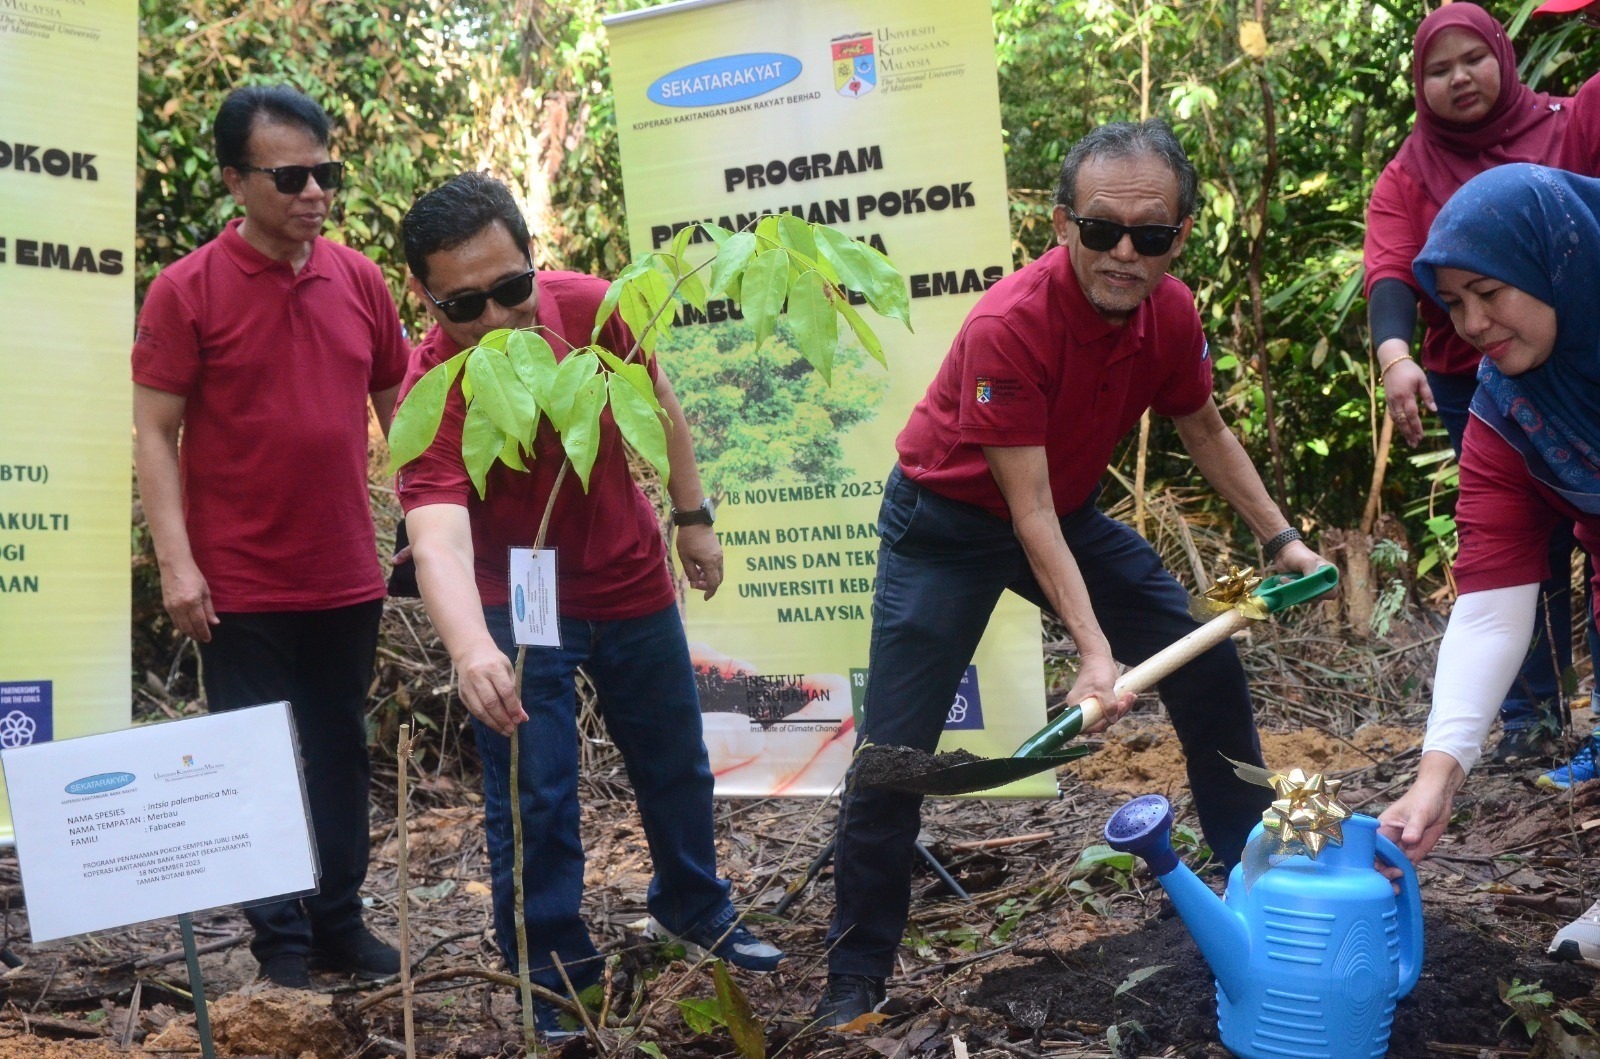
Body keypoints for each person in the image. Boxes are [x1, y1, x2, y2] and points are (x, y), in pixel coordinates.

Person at [811, 120, 1331, 1029]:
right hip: (948, 524)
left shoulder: (1171, 312)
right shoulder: (1010, 325)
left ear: (1181, 235)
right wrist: (1095, 654)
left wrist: (1282, 537)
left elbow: (1202, 427)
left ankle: (1250, 879)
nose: (1125, 254)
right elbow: (1027, 513)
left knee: (1201, 659)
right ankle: (854, 977)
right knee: (894, 755)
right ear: (1062, 226)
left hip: (1065, 507)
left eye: (1151, 234)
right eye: (1102, 230)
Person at [393, 173, 783, 1039]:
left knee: (675, 759)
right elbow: (438, 538)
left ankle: (694, 905)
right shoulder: (434, 388)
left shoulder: (596, 310)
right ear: (423, 296)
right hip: (519, 607)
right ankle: (558, 973)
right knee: (538, 792)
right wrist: (469, 650)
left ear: (534, 261)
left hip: (628, 575)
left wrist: (692, 516)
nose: (495, 321)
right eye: (464, 305)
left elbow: (662, 408)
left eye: (510, 289)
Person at [132, 84, 408, 988]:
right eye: (291, 175)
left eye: (326, 172)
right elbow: (154, 433)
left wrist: (419, 525)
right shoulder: (186, 291)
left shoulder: (359, 279)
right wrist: (178, 563)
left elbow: (399, 405)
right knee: (250, 760)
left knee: (339, 746)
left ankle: (338, 925)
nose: (315, 192)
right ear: (234, 182)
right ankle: (278, 944)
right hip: (239, 581)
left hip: (344, 574)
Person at [1378, 162, 1600, 967]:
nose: (1470, 322)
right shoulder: (1508, 407)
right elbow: (1492, 604)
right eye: (1453, 303)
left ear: (1554, 260)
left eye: (1488, 291)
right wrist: (1437, 776)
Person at [1363, 2, 1582, 771]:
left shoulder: (1567, 123)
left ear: (1503, 55)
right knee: (1527, 545)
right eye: (1437, 68)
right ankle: (1533, 719)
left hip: (1585, 346)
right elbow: (1390, 270)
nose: (1459, 78)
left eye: (1472, 59)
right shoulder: (1409, 172)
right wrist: (1397, 356)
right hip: (1483, 388)